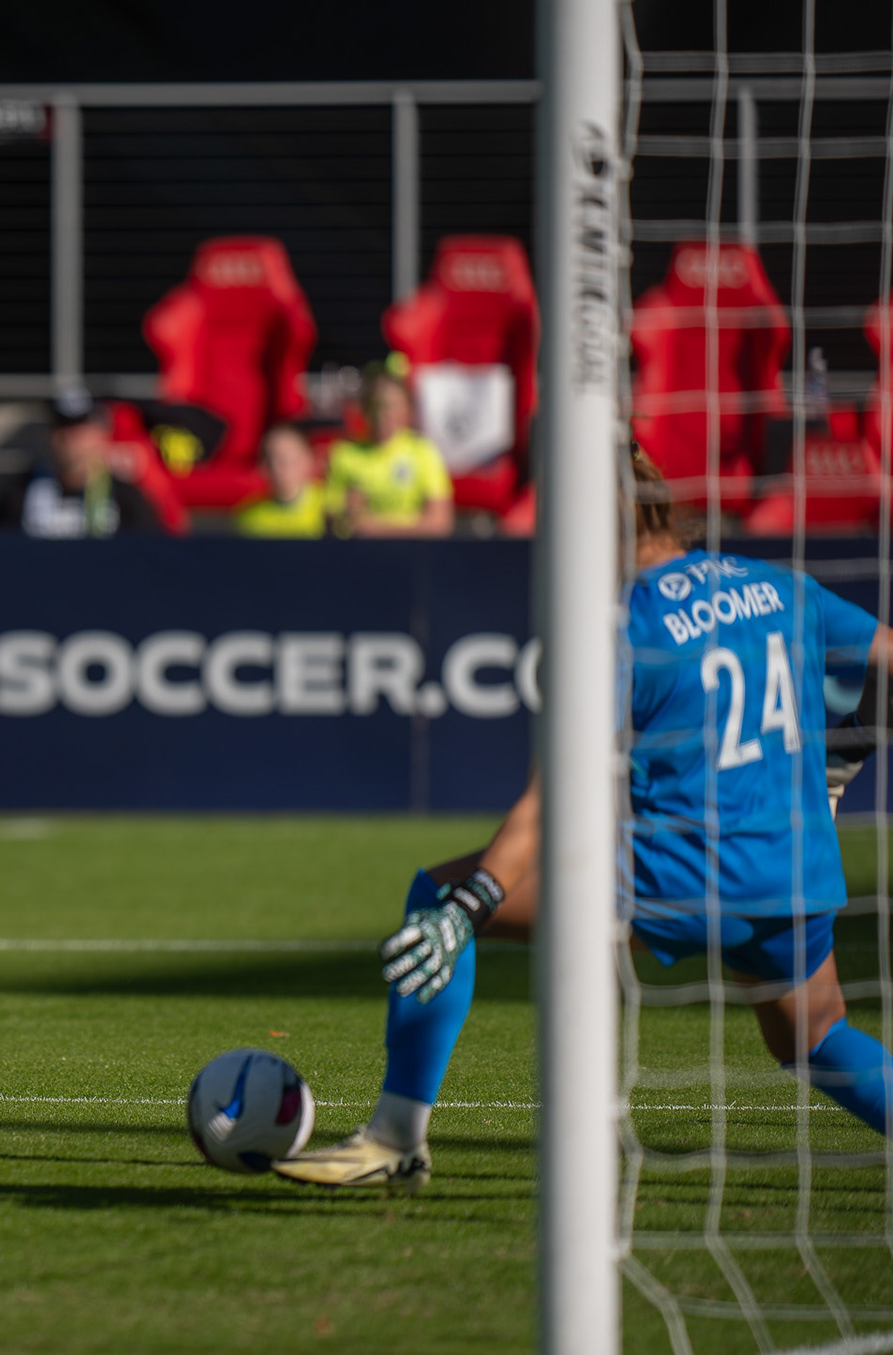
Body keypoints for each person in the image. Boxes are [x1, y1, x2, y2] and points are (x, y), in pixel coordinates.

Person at [276, 453, 893, 1192]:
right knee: (818, 1037)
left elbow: (549, 801)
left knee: (435, 894)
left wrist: (469, 906)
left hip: (683, 875)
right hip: (799, 871)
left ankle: (394, 1137)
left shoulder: (624, 626)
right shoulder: (781, 587)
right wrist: (846, 757)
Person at [0, 391, 163, 538]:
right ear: (48, 434)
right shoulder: (17, 496)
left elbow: (146, 558)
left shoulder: (127, 498)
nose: (71, 437)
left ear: (101, 433)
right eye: (63, 426)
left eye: (81, 426)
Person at [324, 369, 453, 538]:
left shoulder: (424, 452)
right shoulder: (344, 454)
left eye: (393, 405)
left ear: (406, 409)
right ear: (365, 408)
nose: (384, 414)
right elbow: (329, 519)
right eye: (378, 405)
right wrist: (347, 513)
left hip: (413, 557)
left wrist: (376, 527)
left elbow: (440, 523)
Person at [235, 424, 326, 538]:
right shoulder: (251, 518)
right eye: (278, 457)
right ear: (264, 466)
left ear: (309, 459)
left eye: (293, 456)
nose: (286, 463)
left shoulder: (332, 505)